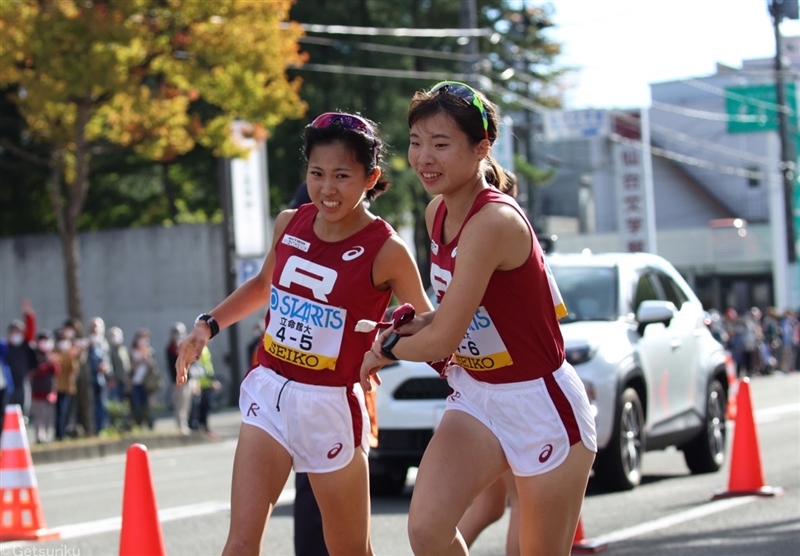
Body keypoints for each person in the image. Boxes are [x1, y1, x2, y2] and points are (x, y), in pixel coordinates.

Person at [175, 110, 432, 556]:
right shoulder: (289, 222)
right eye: (316, 173)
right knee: (239, 543)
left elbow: (425, 320)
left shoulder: (386, 248)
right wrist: (207, 325)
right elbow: (261, 286)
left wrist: (385, 347)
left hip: (331, 404)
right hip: (269, 393)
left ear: (370, 178)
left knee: (349, 549)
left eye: (341, 175)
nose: (327, 188)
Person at [360, 81, 597, 556]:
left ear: (482, 147)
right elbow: (449, 318)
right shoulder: (435, 213)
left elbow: (443, 337)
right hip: (478, 396)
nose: (424, 157)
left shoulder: (493, 222)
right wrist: (402, 328)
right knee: (427, 530)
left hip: (540, 403)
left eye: (441, 144)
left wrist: (382, 350)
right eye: (416, 142)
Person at [5, 299, 37, 419]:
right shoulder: (7, 347)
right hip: (10, 383)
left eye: (18, 331)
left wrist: (28, 314)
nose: (15, 334)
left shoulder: (25, 345)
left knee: (24, 405)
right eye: (13, 331)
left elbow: (31, 331)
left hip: (23, 379)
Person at [29, 330, 59, 444]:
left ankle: (47, 436)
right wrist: (48, 364)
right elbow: (36, 371)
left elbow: (56, 371)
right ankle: (39, 437)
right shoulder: (35, 354)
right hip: (38, 391)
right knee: (39, 416)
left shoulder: (50, 355)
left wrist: (54, 363)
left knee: (48, 416)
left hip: (50, 391)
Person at [129, 328, 159, 430]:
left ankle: (149, 424)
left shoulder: (150, 352)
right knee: (137, 404)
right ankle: (138, 424)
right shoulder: (132, 352)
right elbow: (131, 367)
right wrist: (140, 358)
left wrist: (147, 357)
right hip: (136, 382)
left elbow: (153, 367)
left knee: (147, 404)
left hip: (147, 383)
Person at [86, 317, 111, 434]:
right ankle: (91, 429)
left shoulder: (103, 344)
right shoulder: (87, 344)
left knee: (101, 405)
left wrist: (105, 368)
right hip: (89, 380)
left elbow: (106, 360)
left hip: (101, 380)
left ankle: (100, 428)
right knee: (90, 406)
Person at [54, 328, 79, 441]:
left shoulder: (70, 355)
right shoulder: (56, 354)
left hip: (67, 387)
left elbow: (73, 370)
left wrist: (72, 356)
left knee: (66, 412)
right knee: (58, 412)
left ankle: (63, 433)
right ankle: (58, 434)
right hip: (56, 387)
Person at [167, 322, 192, 434]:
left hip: (188, 378)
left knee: (187, 403)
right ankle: (180, 425)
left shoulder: (186, 345)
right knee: (180, 403)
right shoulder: (171, 348)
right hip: (178, 379)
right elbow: (171, 366)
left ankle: (186, 423)